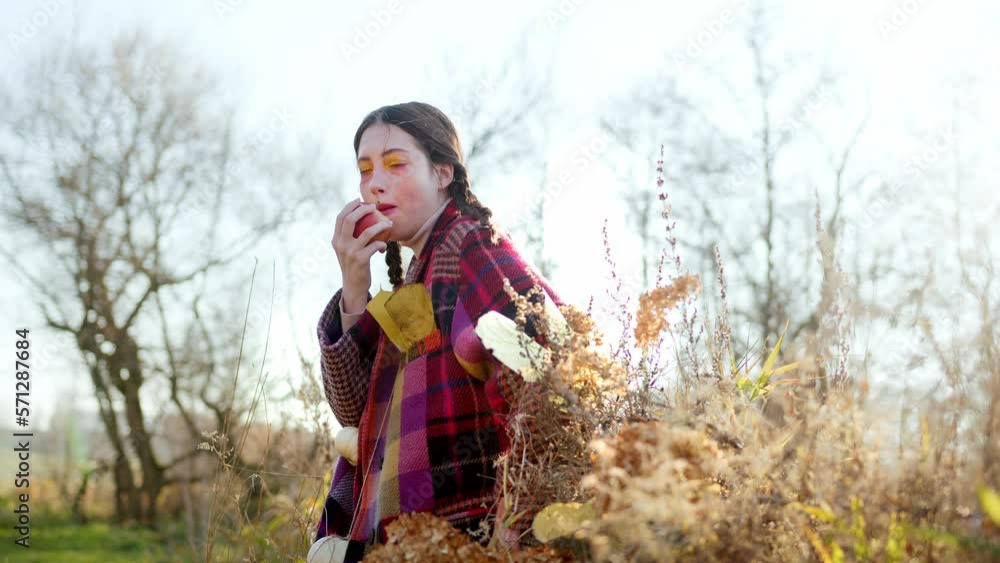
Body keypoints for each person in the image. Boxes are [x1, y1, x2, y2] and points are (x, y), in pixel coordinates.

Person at [314, 101, 564, 561]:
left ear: (443, 173)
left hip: (470, 533)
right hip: (411, 539)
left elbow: (543, 374)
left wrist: (517, 516)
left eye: (395, 164)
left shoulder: (470, 244)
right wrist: (354, 285)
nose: (375, 183)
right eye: (365, 170)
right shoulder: (419, 273)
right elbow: (353, 412)